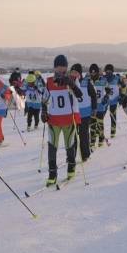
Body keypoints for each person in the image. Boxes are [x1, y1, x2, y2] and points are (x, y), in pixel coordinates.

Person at [41, 55, 83, 186]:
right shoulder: (49, 81)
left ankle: (71, 167)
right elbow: (44, 99)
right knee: (52, 146)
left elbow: (80, 95)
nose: (61, 68)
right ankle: (52, 174)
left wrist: (70, 83)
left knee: (69, 145)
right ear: (55, 67)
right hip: (53, 120)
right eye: (58, 66)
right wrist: (43, 111)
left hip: (68, 120)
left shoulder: (72, 79)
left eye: (63, 66)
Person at [71, 63, 97, 162]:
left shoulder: (86, 82)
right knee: (72, 136)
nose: (74, 74)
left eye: (76, 72)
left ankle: (85, 154)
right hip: (73, 113)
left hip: (85, 114)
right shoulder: (69, 83)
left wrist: (94, 108)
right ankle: (72, 155)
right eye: (72, 72)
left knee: (84, 135)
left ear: (80, 73)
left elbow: (94, 95)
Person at [87, 64, 110, 148]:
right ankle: (92, 141)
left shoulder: (103, 80)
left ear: (97, 72)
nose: (93, 74)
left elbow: (109, 91)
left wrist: (106, 98)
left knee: (100, 123)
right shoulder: (88, 81)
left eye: (94, 72)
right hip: (91, 106)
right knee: (92, 124)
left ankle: (101, 139)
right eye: (91, 72)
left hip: (100, 106)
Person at [103, 64, 121, 138]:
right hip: (105, 100)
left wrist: (121, 96)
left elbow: (122, 87)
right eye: (107, 71)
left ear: (112, 71)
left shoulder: (117, 78)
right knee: (101, 116)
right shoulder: (103, 78)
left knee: (113, 116)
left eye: (110, 71)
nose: (108, 72)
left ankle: (113, 132)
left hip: (114, 100)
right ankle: (100, 132)